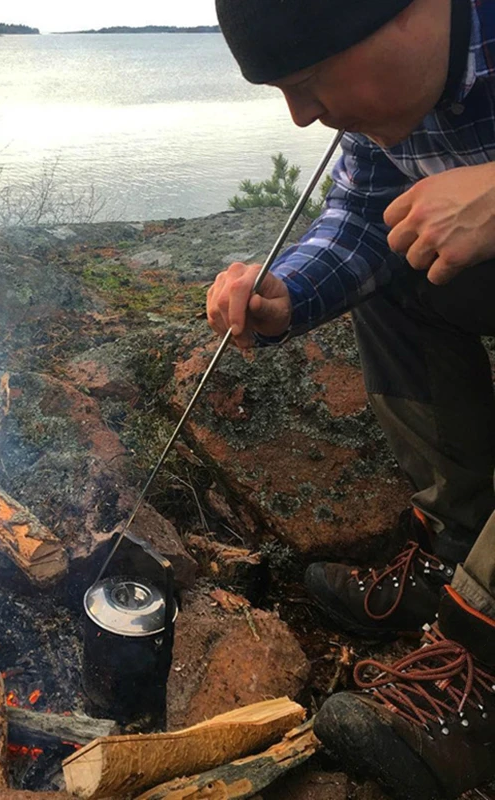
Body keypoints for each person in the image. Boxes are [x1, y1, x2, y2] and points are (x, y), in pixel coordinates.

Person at [208, 0, 495, 797]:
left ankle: (484, 673)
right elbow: (365, 214)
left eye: (307, 81)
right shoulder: (386, 114)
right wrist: (288, 295)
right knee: (400, 260)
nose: (302, 117)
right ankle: (458, 550)